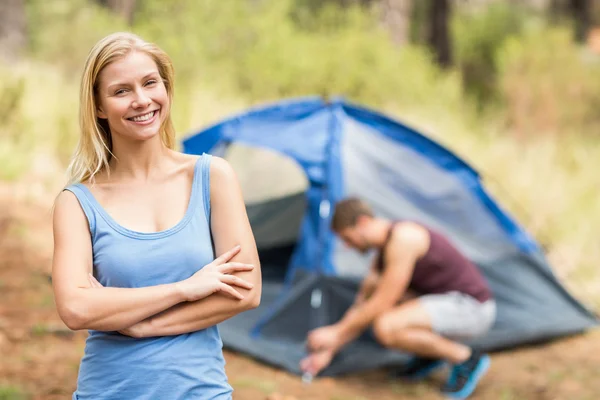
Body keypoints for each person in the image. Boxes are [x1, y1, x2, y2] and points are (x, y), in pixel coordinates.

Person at [51, 32, 261, 400]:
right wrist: (183, 289)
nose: (142, 100)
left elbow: (246, 291)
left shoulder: (212, 177)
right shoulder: (77, 202)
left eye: (150, 83)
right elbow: (75, 307)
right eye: (121, 91)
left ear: (166, 88)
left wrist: (145, 326)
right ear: (98, 106)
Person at [300, 197, 496, 399]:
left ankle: (467, 358)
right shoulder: (382, 253)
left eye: (348, 239)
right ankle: (430, 354)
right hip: (442, 303)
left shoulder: (404, 239)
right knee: (381, 306)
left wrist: (336, 331)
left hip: (472, 307)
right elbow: (364, 302)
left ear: (362, 222)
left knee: (386, 326)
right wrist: (329, 349)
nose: (348, 246)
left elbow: (382, 302)